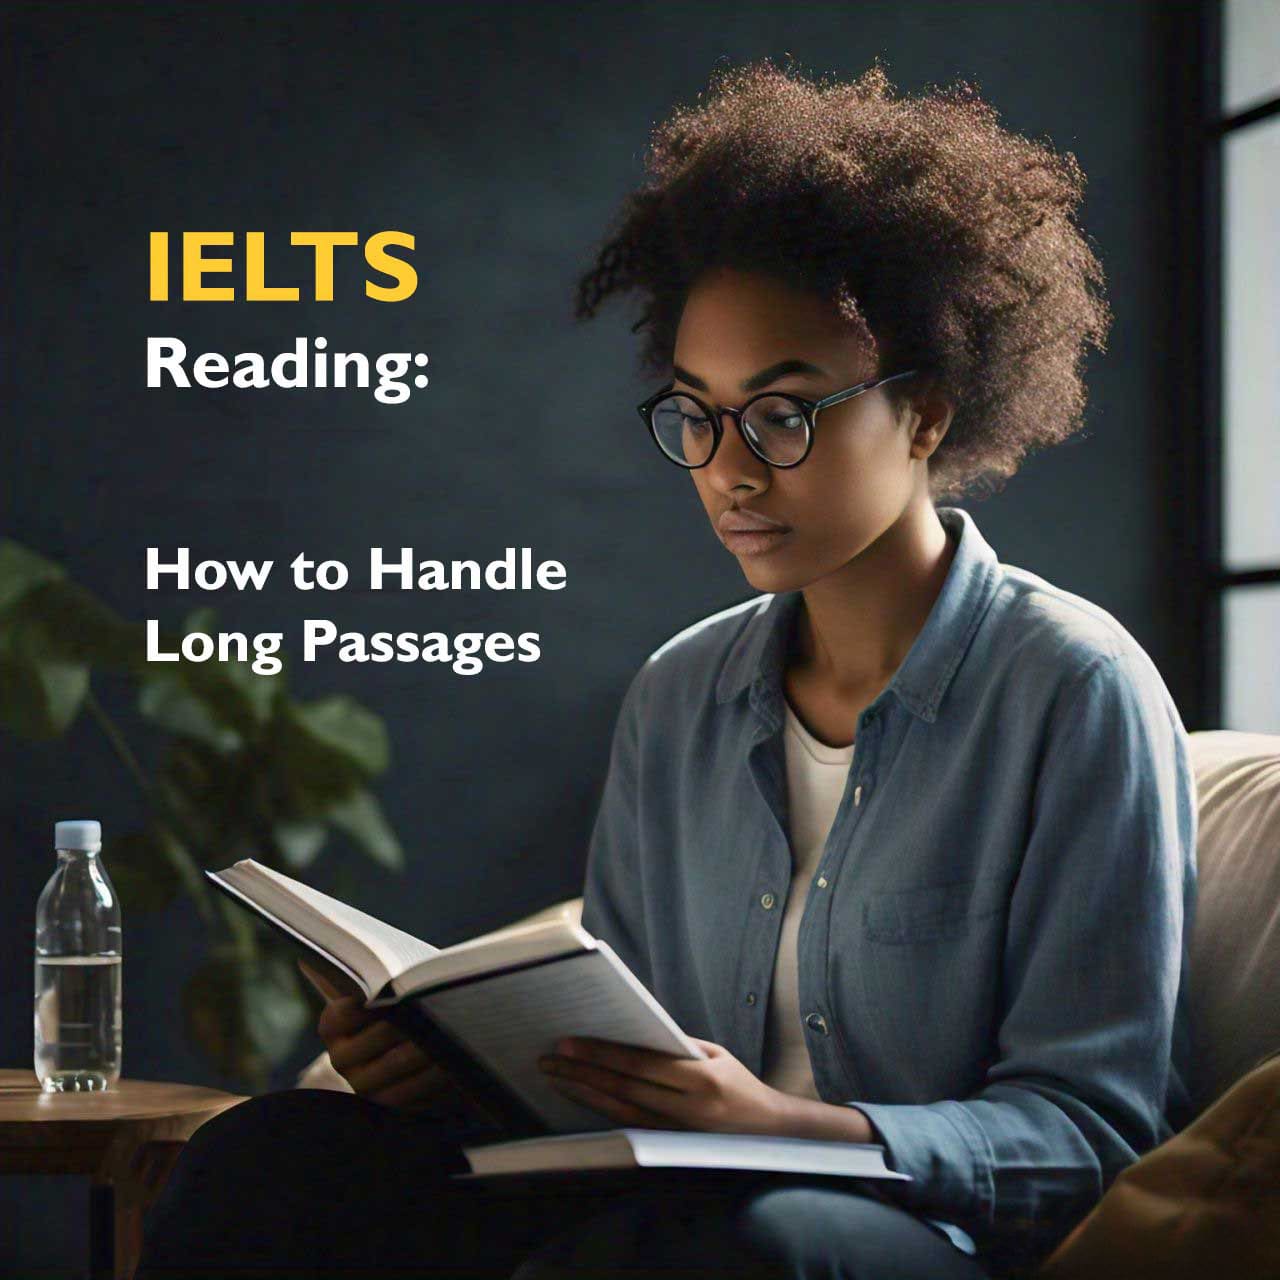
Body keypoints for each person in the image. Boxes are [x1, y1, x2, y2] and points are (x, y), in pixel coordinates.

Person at [136, 58, 1196, 1280]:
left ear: (925, 412)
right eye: (695, 410)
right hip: (669, 1211)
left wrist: (792, 1127)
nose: (729, 468)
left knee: (757, 1241)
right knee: (268, 1157)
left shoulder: (1072, 690)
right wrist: (445, 1072)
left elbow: (1092, 1134)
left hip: (903, 1237)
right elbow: (608, 1077)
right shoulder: (681, 695)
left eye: (784, 411)